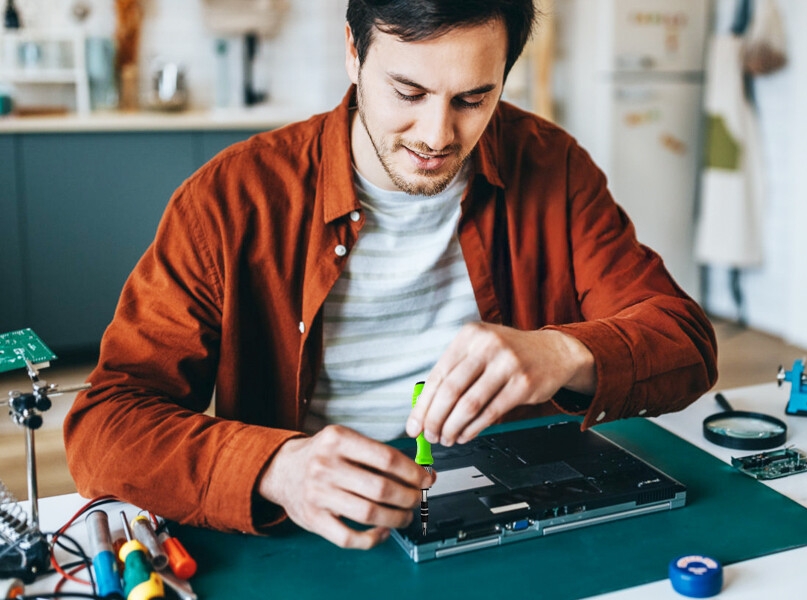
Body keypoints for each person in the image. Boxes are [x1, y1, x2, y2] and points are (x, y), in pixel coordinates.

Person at [63, 0, 717, 551]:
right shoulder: (230, 201)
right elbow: (105, 426)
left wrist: (562, 352)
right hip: (318, 533)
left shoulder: (551, 166)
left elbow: (686, 340)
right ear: (353, 52)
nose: (436, 134)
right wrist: (272, 466)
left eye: (472, 98)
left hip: (524, 524)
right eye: (407, 92)